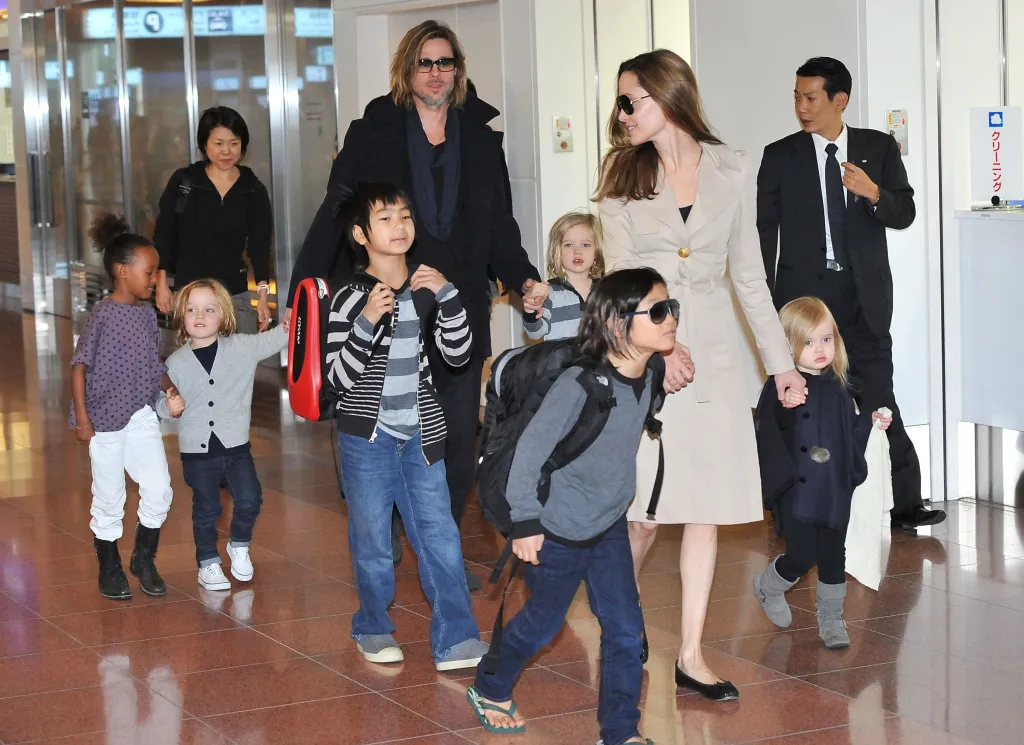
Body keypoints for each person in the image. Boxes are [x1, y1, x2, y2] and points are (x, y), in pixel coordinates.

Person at [285, 21, 549, 589]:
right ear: (407, 72)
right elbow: (336, 211)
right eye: (426, 63)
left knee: (454, 436)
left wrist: (523, 277)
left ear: (458, 70)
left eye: (445, 62)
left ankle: (441, 548)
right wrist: (302, 293)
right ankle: (396, 532)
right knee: (389, 434)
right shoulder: (374, 132)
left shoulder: (480, 138)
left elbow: (499, 222)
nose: (436, 73)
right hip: (389, 308)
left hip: (457, 307)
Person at [596, 49, 807, 701]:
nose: (622, 113)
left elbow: (748, 275)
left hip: (714, 358)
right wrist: (663, 345)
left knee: (706, 511)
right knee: (644, 514)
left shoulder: (732, 168)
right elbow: (620, 282)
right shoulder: (620, 179)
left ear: (668, 98)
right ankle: (620, 631)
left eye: (632, 100)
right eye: (621, 102)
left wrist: (782, 366)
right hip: (646, 359)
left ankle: (690, 652)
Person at [466, 268, 672, 745]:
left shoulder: (650, 372)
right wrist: (524, 522)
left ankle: (619, 732)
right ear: (620, 325)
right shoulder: (578, 385)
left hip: (607, 526)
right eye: (658, 312)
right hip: (554, 528)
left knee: (625, 631)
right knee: (543, 625)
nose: (670, 319)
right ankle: (490, 685)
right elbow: (530, 452)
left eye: (671, 308)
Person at [756, 57, 945, 532]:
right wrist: (766, 300)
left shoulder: (878, 148)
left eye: (811, 97)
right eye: (797, 96)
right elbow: (763, 231)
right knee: (799, 402)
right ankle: (790, 502)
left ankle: (905, 503)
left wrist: (874, 192)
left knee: (880, 395)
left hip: (863, 296)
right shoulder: (779, 155)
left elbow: (904, 212)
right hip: (805, 303)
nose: (801, 106)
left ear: (840, 100)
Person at [324, 182, 487, 671]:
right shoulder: (350, 296)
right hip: (366, 439)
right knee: (373, 541)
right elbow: (337, 378)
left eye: (405, 216)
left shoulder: (425, 287)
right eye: (385, 219)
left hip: (419, 433)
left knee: (440, 535)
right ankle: (372, 627)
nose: (399, 226)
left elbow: (458, 356)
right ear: (360, 234)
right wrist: (368, 321)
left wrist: (449, 296)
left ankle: (456, 638)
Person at [752, 297, 892, 649]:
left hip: (833, 488)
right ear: (787, 346)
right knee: (801, 555)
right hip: (797, 491)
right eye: (808, 342)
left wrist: (871, 425)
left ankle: (831, 620)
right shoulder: (780, 387)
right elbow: (773, 428)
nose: (819, 349)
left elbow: (848, 434)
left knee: (833, 555)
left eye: (826, 339)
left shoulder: (840, 386)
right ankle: (769, 586)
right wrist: (786, 406)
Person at [157, 279, 289, 591]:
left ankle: (239, 544)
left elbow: (277, 337)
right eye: (191, 309)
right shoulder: (175, 363)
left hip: (235, 448)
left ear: (224, 317)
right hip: (197, 452)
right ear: (182, 317)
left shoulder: (242, 348)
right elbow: (159, 404)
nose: (199, 315)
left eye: (208, 309)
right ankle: (208, 562)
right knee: (207, 508)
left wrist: (293, 318)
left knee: (250, 498)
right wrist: (169, 407)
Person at [69, 213, 175, 601]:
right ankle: (109, 566)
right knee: (110, 496)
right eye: (149, 272)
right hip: (105, 421)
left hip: (141, 415)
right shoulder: (103, 315)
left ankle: (143, 559)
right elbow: (79, 366)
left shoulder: (147, 314)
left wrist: (171, 389)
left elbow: (152, 363)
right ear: (122, 271)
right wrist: (83, 418)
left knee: (160, 490)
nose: (153, 279)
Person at [153, 106, 274, 335]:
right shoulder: (184, 182)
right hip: (190, 293)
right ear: (204, 145)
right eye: (218, 144)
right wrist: (162, 283)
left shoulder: (252, 189)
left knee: (240, 366)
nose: (227, 151)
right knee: (196, 366)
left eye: (234, 143)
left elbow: (260, 245)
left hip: (234, 294)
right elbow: (165, 233)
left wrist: (263, 295)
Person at [524, 211, 605, 341]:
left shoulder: (605, 290)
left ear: (596, 252)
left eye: (586, 245)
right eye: (568, 245)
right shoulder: (549, 292)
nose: (577, 251)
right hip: (563, 360)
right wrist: (531, 309)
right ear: (557, 252)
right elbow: (535, 333)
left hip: (597, 360)